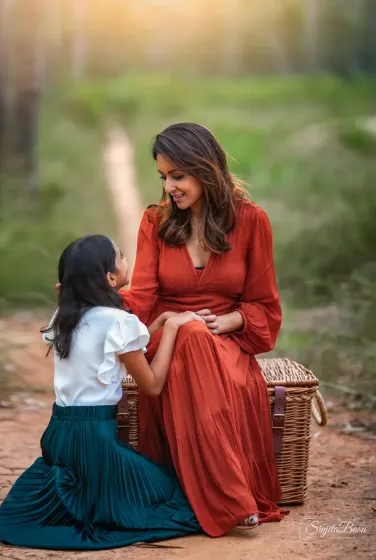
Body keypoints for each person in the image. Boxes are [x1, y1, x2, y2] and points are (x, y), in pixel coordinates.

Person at [0, 235, 203, 551]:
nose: (127, 261)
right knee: (173, 493)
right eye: (122, 257)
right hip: (94, 442)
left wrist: (160, 322)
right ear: (111, 277)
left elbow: (115, 351)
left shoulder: (65, 318)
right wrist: (174, 330)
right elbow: (151, 385)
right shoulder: (119, 322)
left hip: (59, 436)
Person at [120, 122, 290, 535]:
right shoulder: (156, 222)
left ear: (205, 170)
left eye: (178, 176)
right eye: (163, 177)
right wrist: (87, 297)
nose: (170, 187)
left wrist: (226, 321)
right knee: (188, 333)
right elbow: (141, 296)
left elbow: (264, 305)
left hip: (227, 341)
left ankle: (214, 491)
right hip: (167, 341)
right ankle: (230, 496)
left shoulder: (251, 221)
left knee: (197, 335)